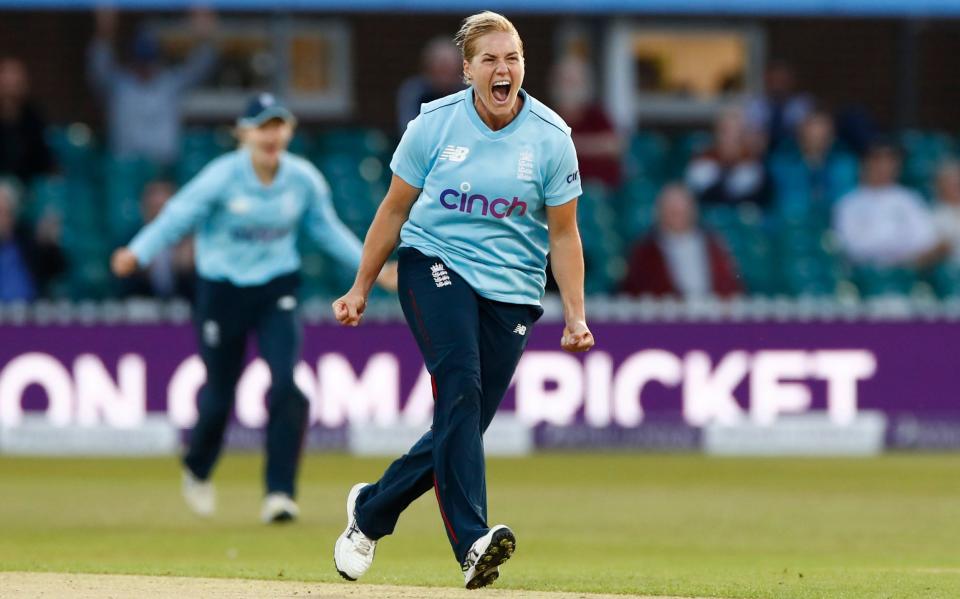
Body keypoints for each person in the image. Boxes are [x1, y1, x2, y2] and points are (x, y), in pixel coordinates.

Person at [331, 11, 594, 590]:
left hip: (513, 291)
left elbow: (563, 233)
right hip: (434, 262)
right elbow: (395, 211)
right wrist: (359, 286)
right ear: (468, 69)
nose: (504, 70)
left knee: (462, 422)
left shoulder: (551, 138)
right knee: (460, 388)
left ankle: (370, 512)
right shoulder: (434, 126)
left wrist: (574, 314)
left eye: (513, 59)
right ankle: (474, 543)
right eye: (491, 60)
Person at [110, 93, 396, 523]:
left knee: (287, 385)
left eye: (278, 125)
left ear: (289, 131)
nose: (271, 134)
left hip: (275, 290)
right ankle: (198, 467)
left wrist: (370, 271)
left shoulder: (303, 180)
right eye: (262, 126)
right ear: (243, 134)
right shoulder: (221, 177)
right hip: (221, 292)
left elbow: (327, 230)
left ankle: (279, 493)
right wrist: (138, 252)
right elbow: (176, 217)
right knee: (219, 395)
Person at [87, 7, 218, 166]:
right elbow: (98, 63)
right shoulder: (119, 84)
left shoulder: (169, 83)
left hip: (163, 166)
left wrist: (204, 34)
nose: (145, 68)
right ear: (132, 61)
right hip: (125, 165)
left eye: (149, 62)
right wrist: (104, 30)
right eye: (141, 62)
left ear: (157, 60)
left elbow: (202, 65)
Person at [833, 140, 943, 268]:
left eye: (890, 160)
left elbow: (925, 240)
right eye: (877, 159)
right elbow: (850, 246)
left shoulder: (910, 199)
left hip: (906, 271)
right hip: (863, 273)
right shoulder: (849, 203)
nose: (883, 166)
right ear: (865, 163)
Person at [621, 183, 742, 299]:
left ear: (693, 210)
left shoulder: (713, 245)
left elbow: (729, 286)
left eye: (681, 210)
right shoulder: (644, 251)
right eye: (672, 210)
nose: (677, 215)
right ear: (660, 212)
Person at [550, 54, 622, 189]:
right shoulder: (546, 116)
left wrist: (571, 144)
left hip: (600, 191)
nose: (568, 87)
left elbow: (614, 145)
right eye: (563, 80)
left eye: (573, 81)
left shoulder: (596, 115)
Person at [769, 109, 858, 216]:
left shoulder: (846, 164)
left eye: (822, 136)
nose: (816, 141)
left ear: (832, 137)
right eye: (811, 136)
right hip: (793, 224)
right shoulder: (781, 164)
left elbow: (847, 202)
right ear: (799, 135)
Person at [119, 179, 195, 300]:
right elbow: (120, 291)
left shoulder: (193, 242)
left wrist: (189, 268)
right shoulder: (130, 243)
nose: (158, 215)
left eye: (163, 209)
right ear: (143, 207)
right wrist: (135, 268)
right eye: (153, 207)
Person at [685, 107, 772, 209]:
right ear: (716, 134)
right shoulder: (700, 165)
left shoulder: (757, 170)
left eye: (738, 133)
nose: (731, 139)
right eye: (725, 132)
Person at [0, 179, 66, 302]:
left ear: (13, 214)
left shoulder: (29, 241)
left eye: (3, 212)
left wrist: (49, 245)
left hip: (31, 315)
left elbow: (57, 269)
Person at [0, 57, 57, 183]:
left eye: (16, 78)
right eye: (7, 77)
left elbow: (43, 158)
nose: (12, 84)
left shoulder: (32, 118)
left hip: (27, 185)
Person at [395, 37, 465, 134]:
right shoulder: (414, 92)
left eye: (450, 66)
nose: (446, 71)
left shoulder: (470, 94)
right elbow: (409, 131)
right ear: (428, 66)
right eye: (442, 65)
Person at [931, 161, 960, 266]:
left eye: (957, 182)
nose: (956, 187)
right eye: (950, 183)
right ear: (940, 185)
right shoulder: (934, 214)